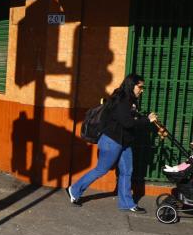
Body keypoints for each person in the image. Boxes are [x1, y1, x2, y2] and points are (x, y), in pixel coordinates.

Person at [67, 73, 158, 212]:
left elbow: (130, 118)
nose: (142, 90)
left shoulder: (131, 100)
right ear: (131, 85)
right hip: (112, 141)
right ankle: (74, 189)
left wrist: (143, 117)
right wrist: (147, 120)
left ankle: (127, 203)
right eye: (140, 87)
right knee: (101, 169)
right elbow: (127, 122)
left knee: (127, 171)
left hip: (125, 142)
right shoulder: (122, 100)